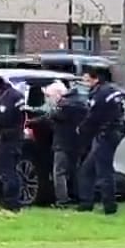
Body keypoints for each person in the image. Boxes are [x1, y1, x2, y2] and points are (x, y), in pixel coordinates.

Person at [74, 65, 125, 215]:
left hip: (106, 134)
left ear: (96, 79)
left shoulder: (99, 94)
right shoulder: (113, 90)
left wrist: (81, 128)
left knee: (104, 171)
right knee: (87, 169)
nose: (85, 82)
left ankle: (109, 206)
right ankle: (86, 203)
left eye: (87, 79)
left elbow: (93, 116)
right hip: (115, 131)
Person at [0, 73, 27, 212]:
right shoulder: (16, 95)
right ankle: (12, 200)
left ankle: (10, 202)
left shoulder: (8, 98)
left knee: (7, 172)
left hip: (8, 139)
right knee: (12, 171)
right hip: (15, 139)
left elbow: (4, 118)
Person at [46, 80, 88, 208]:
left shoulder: (64, 106)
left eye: (49, 96)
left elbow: (52, 117)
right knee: (75, 171)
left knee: (59, 172)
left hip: (63, 143)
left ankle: (62, 200)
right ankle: (77, 196)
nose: (48, 99)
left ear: (58, 94)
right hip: (78, 143)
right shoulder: (80, 102)